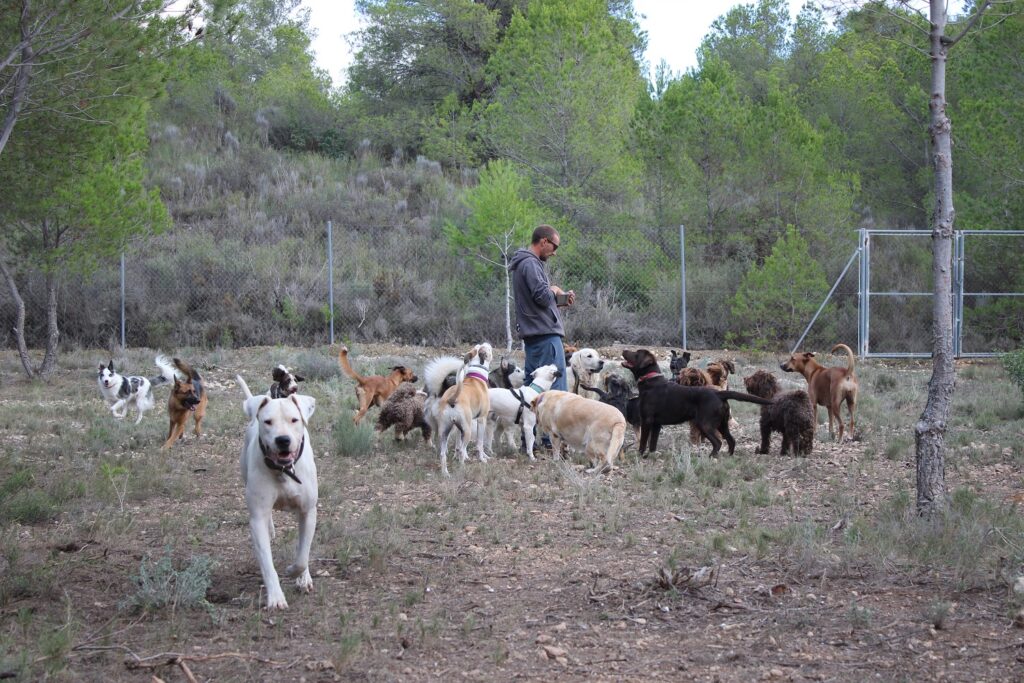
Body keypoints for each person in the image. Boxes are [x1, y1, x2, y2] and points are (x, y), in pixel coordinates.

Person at [508, 224, 575, 396]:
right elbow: (543, 297)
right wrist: (554, 289)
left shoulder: (523, 263)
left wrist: (559, 301)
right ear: (544, 241)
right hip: (546, 338)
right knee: (556, 395)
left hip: (533, 337)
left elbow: (535, 300)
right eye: (555, 247)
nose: (554, 253)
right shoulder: (531, 263)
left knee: (533, 395)